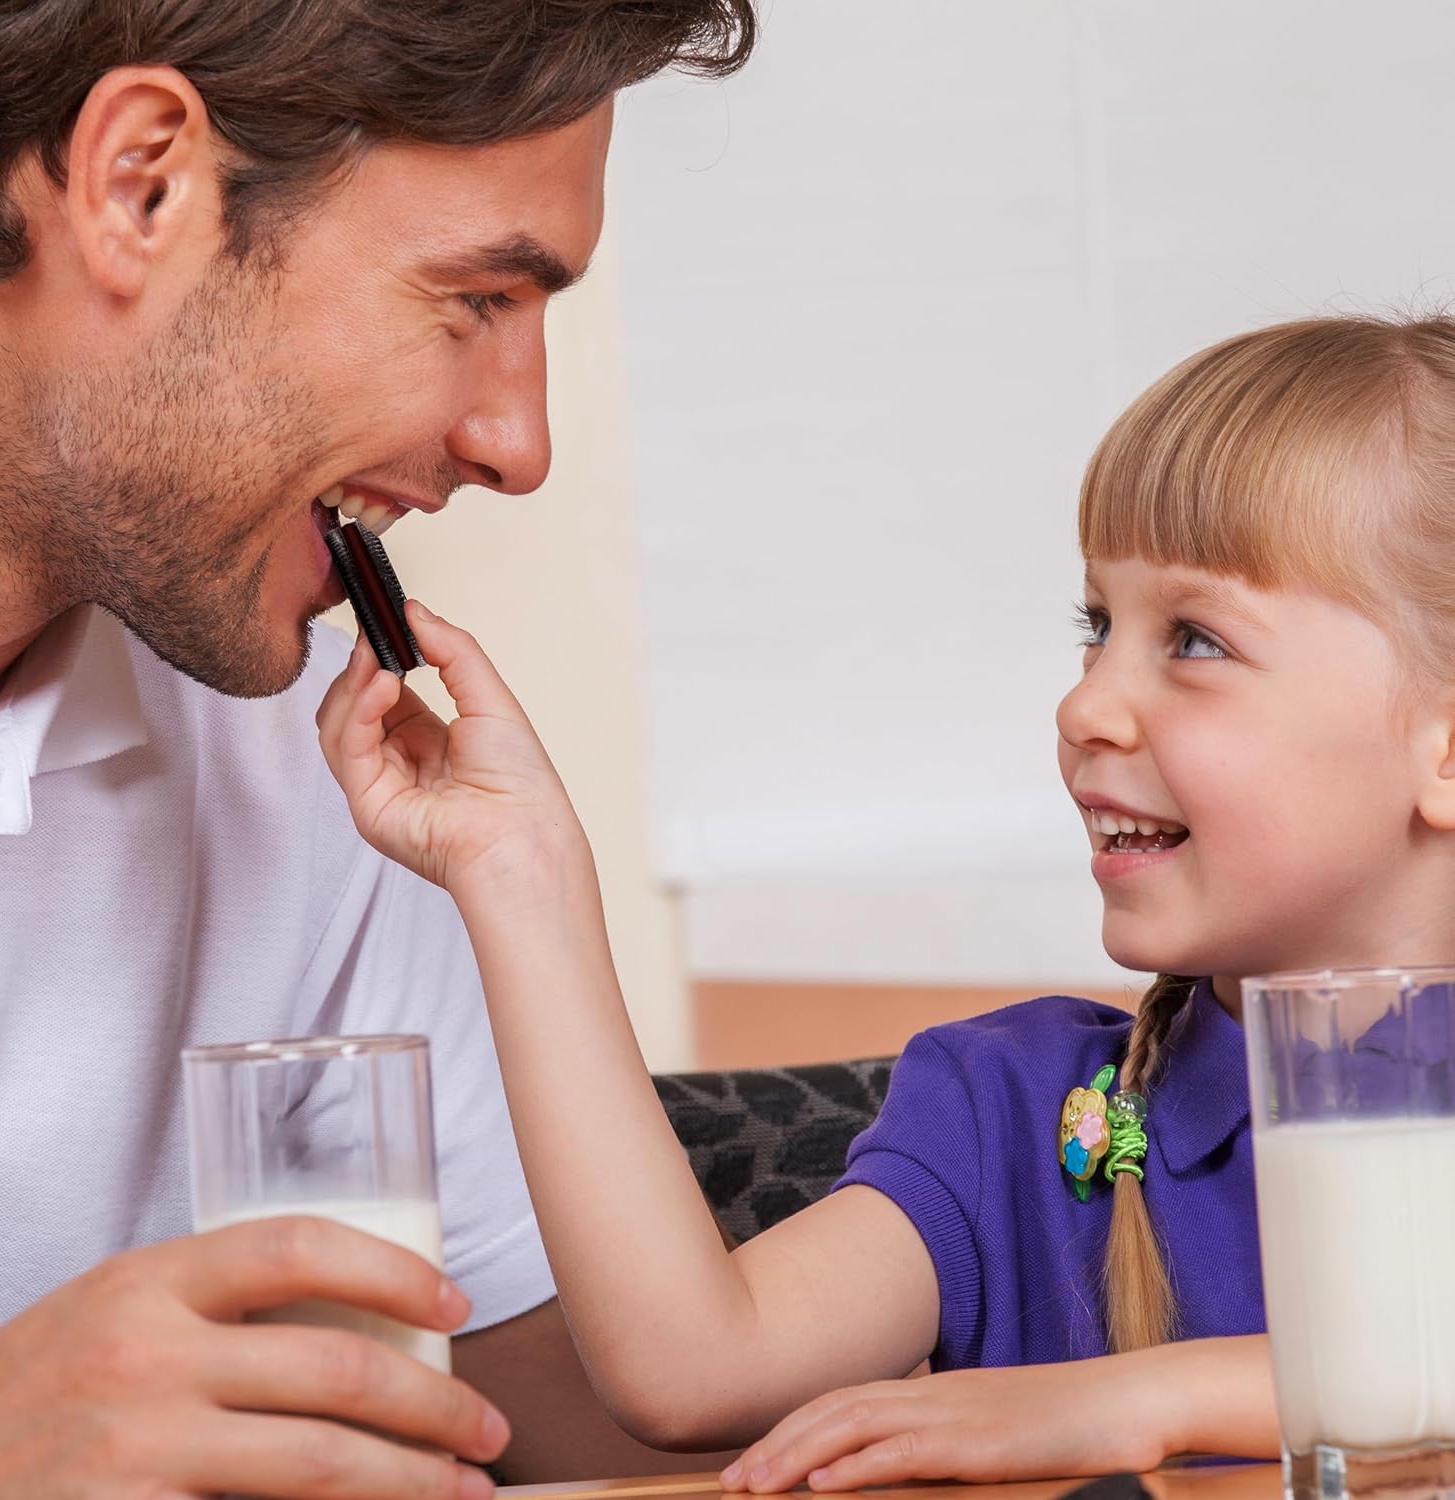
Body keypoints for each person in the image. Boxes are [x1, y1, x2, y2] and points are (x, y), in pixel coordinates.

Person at [319, 312, 1455, 1486]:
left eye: (1198, 640)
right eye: (1096, 627)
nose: (1086, 706)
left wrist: (1146, 1399)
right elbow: (687, 1371)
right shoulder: (1008, 1109)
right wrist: (521, 870)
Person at [0, 3, 755, 1496]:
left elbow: (581, 1427)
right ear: (142, 186)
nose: (520, 445)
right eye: (474, 301)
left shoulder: (304, 761)